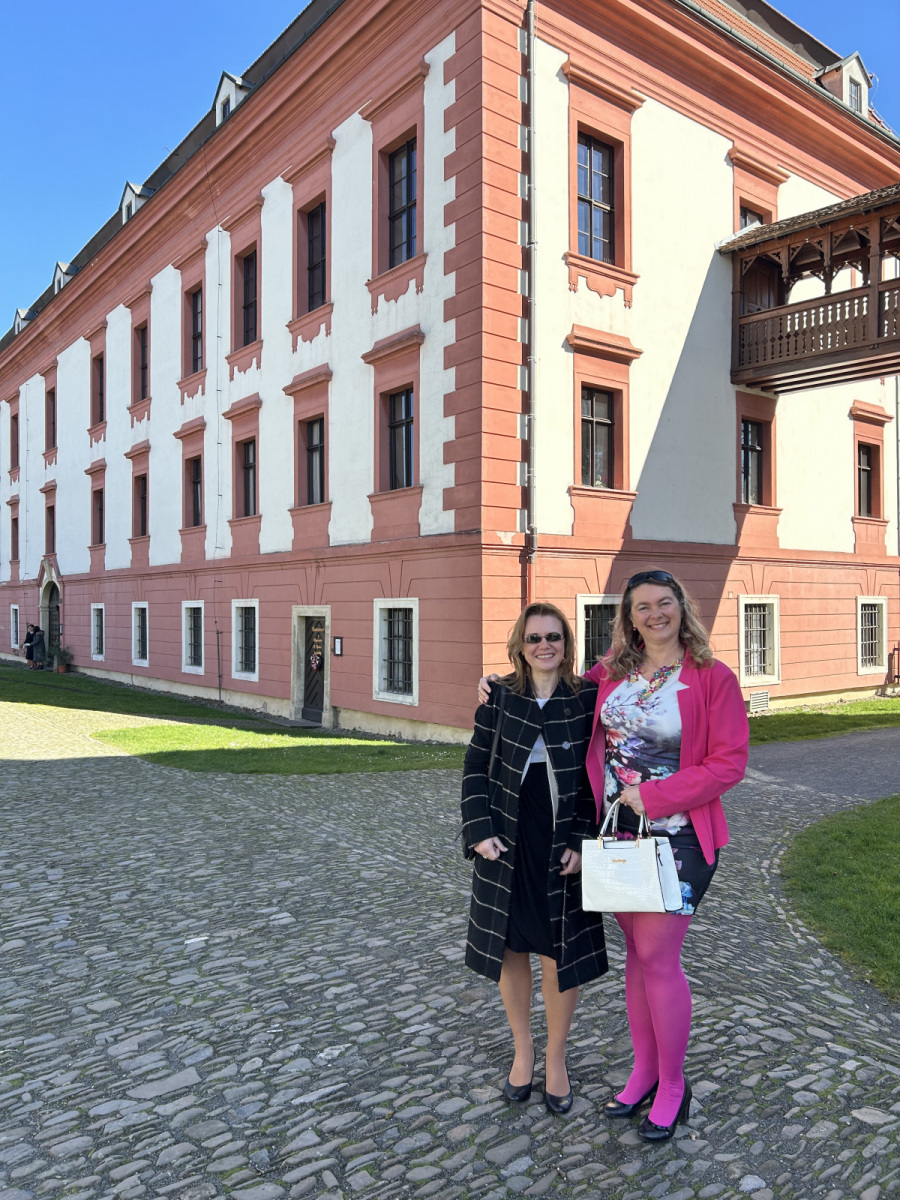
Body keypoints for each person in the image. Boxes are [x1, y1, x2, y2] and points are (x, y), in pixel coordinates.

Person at [478, 570, 748, 1141]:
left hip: (677, 837)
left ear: (682, 608)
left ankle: (673, 1085)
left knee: (659, 958)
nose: (655, 614)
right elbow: (553, 683)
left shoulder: (712, 677)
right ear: (628, 617)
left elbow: (729, 763)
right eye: (642, 606)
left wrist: (655, 796)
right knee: (637, 958)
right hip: (616, 839)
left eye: (664, 603)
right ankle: (644, 1071)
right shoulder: (611, 673)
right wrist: (496, 686)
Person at [461, 602, 608, 1115]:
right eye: (534, 638)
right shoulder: (500, 695)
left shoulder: (588, 697)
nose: (544, 645)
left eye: (553, 637)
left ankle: (556, 1057)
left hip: (561, 834)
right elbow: (475, 765)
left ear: (567, 644)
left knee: (558, 949)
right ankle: (523, 1050)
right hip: (507, 833)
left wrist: (583, 839)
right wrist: (478, 830)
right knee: (510, 945)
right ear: (520, 648)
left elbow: (597, 775)